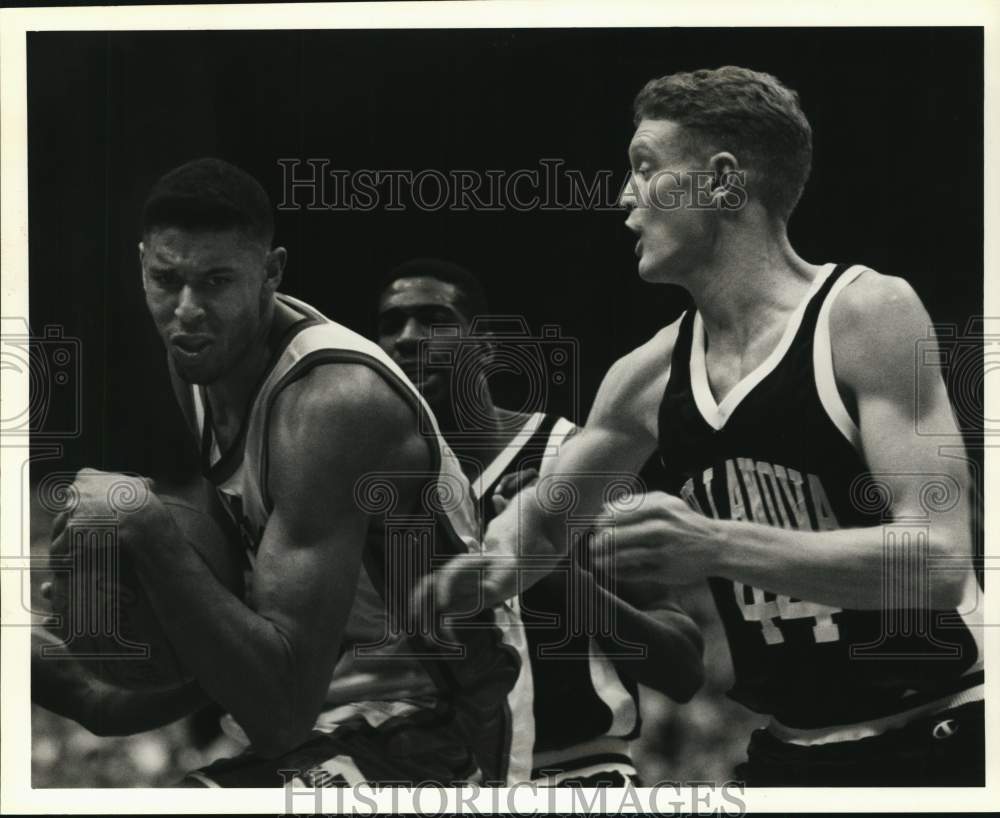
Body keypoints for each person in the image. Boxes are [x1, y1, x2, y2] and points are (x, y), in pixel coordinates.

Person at [423, 66, 984, 786]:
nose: (625, 197)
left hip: (943, 730)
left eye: (645, 169)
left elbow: (938, 563)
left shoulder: (864, 313)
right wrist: (486, 565)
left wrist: (715, 544)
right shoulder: (646, 375)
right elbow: (541, 525)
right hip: (791, 748)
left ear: (722, 182)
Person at [31, 158, 532, 787]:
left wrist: (144, 524)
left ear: (271, 273)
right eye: (166, 278)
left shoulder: (334, 403)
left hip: (447, 720)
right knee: (87, 695)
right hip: (332, 694)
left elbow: (279, 717)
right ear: (141, 264)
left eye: (216, 281)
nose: (186, 310)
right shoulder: (200, 356)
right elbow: (240, 602)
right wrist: (108, 625)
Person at [376, 258, 704, 785]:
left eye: (433, 320)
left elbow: (682, 665)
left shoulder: (573, 461)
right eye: (390, 325)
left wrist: (559, 577)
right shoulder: (391, 494)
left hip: (579, 774)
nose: (408, 339)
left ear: (483, 347)